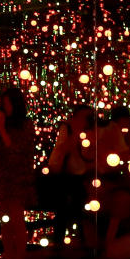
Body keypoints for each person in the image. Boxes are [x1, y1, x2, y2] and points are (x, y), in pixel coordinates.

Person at [0, 87, 35, 259]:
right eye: (3, 103)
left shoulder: (26, 124)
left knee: (17, 220)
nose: (5, 107)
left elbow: (15, 150)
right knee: (5, 222)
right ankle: (8, 256)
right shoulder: (3, 125)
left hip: (19, 177)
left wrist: (1, 130)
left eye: (8, 103)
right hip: (3, 177)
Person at [45, 103, 95, 246]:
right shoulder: (67, 128)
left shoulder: (91, 130)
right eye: (85, 117)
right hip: (67, 174)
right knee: (64, 209)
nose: (87, 120)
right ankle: (61, 242)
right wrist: (75, 132)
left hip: (84, 174)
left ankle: (82, 240)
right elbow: (63, 149)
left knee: (81, 209)